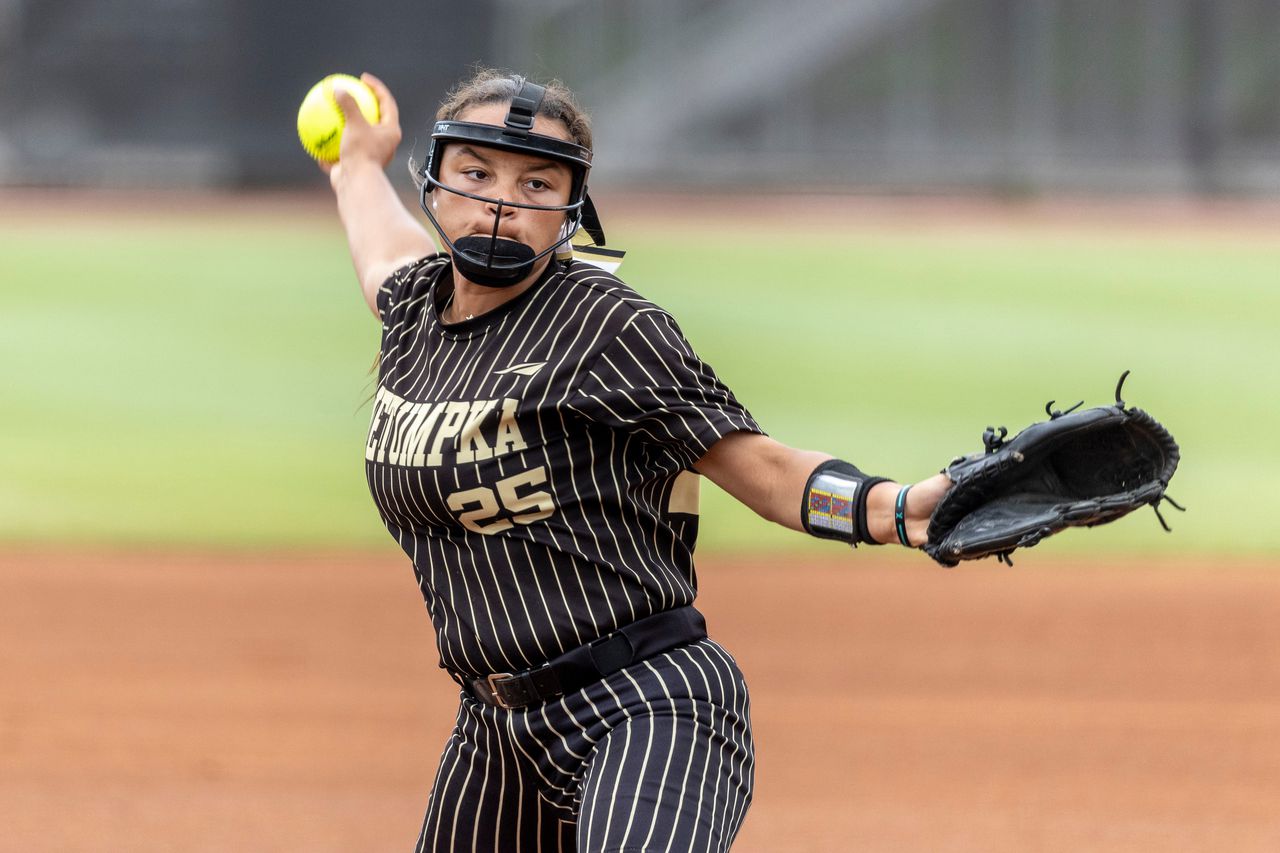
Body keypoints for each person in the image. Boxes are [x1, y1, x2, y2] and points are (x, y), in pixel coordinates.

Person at [320, 68, 951, 853]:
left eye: (536, 182)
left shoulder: (605, 325)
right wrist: (355, 163)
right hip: (497, 728)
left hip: (647, 707)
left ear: (570, 212)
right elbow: (383, 254)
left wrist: (892, 510)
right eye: (477, 173)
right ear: (435, 183)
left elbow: (765, 470)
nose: (502, 200)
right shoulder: (417, 309)